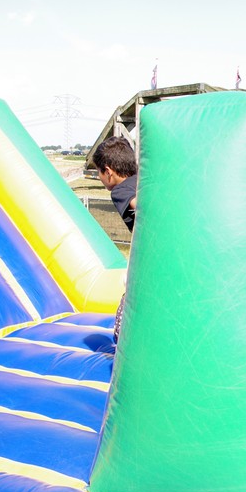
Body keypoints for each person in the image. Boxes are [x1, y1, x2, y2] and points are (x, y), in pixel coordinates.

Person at [92, 136, 138, 341]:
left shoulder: (121, 190)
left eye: (98, 172)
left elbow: (140, 204)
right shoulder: (143, 180)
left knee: (121, 330)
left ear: (108, 172)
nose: (100, 178)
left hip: (147, 262)